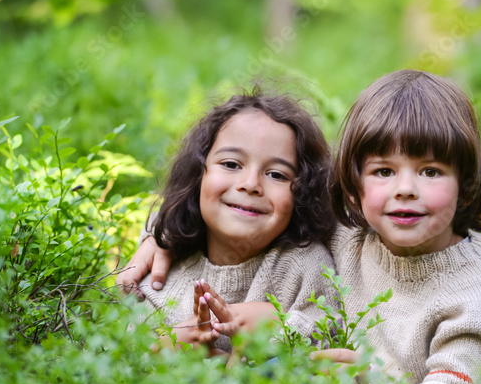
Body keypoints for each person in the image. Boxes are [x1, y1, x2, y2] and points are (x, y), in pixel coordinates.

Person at [120, 71, 481, 384]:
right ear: (353, 188)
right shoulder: (356, 235)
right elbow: (258, 206)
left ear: (466, 186)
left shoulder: (480, 294)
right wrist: (165, 235)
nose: (405, 189)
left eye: (430, 171)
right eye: (383, 171)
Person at [118, 89, 336, 354]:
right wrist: (165, 349)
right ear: (198, 175)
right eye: (232, 164)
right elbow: (121, 358)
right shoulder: (162, 274)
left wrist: (280, 327)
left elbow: (329, 343)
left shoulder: (304, 267)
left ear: (303, 193)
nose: (251, 184)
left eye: (277, 174)